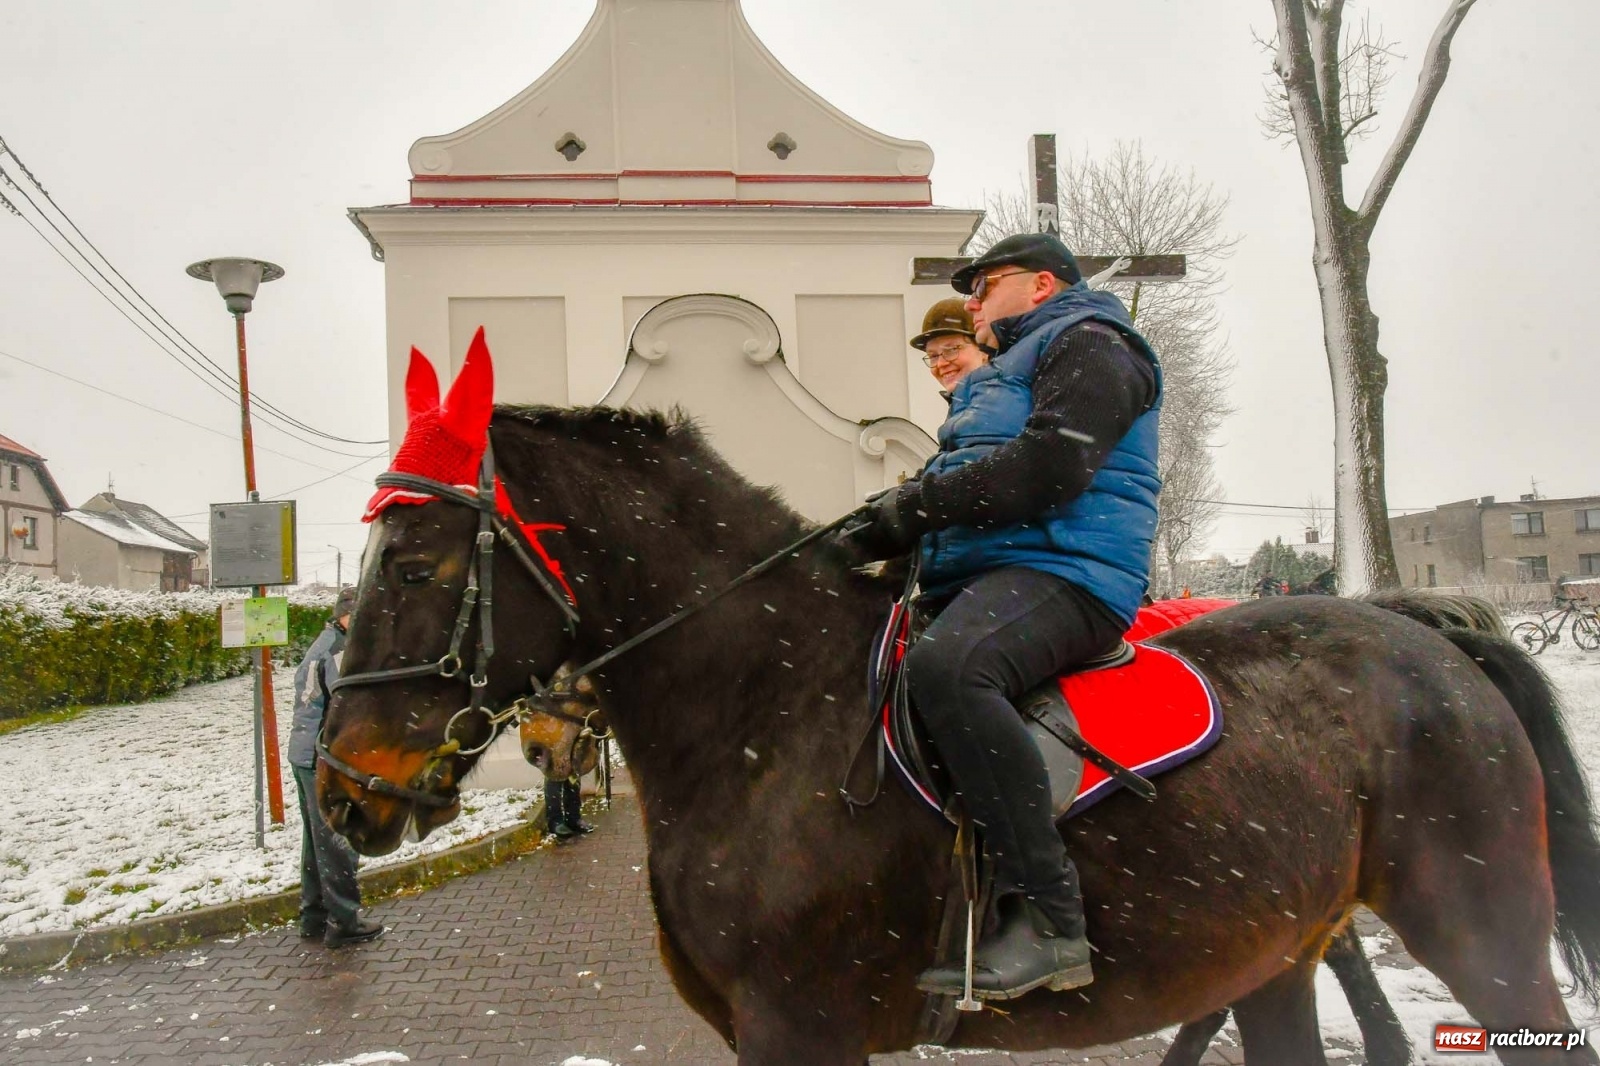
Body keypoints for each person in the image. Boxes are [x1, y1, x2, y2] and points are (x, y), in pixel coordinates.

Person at [841, 232, 1162, 1000]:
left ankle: (1053, 923)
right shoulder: (1006, 373)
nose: (973, 301)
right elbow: (959, 479)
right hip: (995, 568)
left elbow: (1052, 466)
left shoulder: (1093, 342)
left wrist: (913, 506)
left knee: (951, 668)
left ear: (1043, 283)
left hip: (1070, 571)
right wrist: (859, 536)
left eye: (985, 286)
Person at [287, 586, 386, 948]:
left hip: (304, 755)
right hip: (323, 757)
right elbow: (352, 705)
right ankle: (344, 921)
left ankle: (312, 916)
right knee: (339, 838)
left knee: (316, 843)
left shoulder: (325, 641)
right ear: (345, 614)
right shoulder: (340, 651)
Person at [911, 296, 989, 392]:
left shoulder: (1004, 401)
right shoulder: (970, 403)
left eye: (952, 350)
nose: (940, 363)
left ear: (984, 351)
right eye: (933, 356)